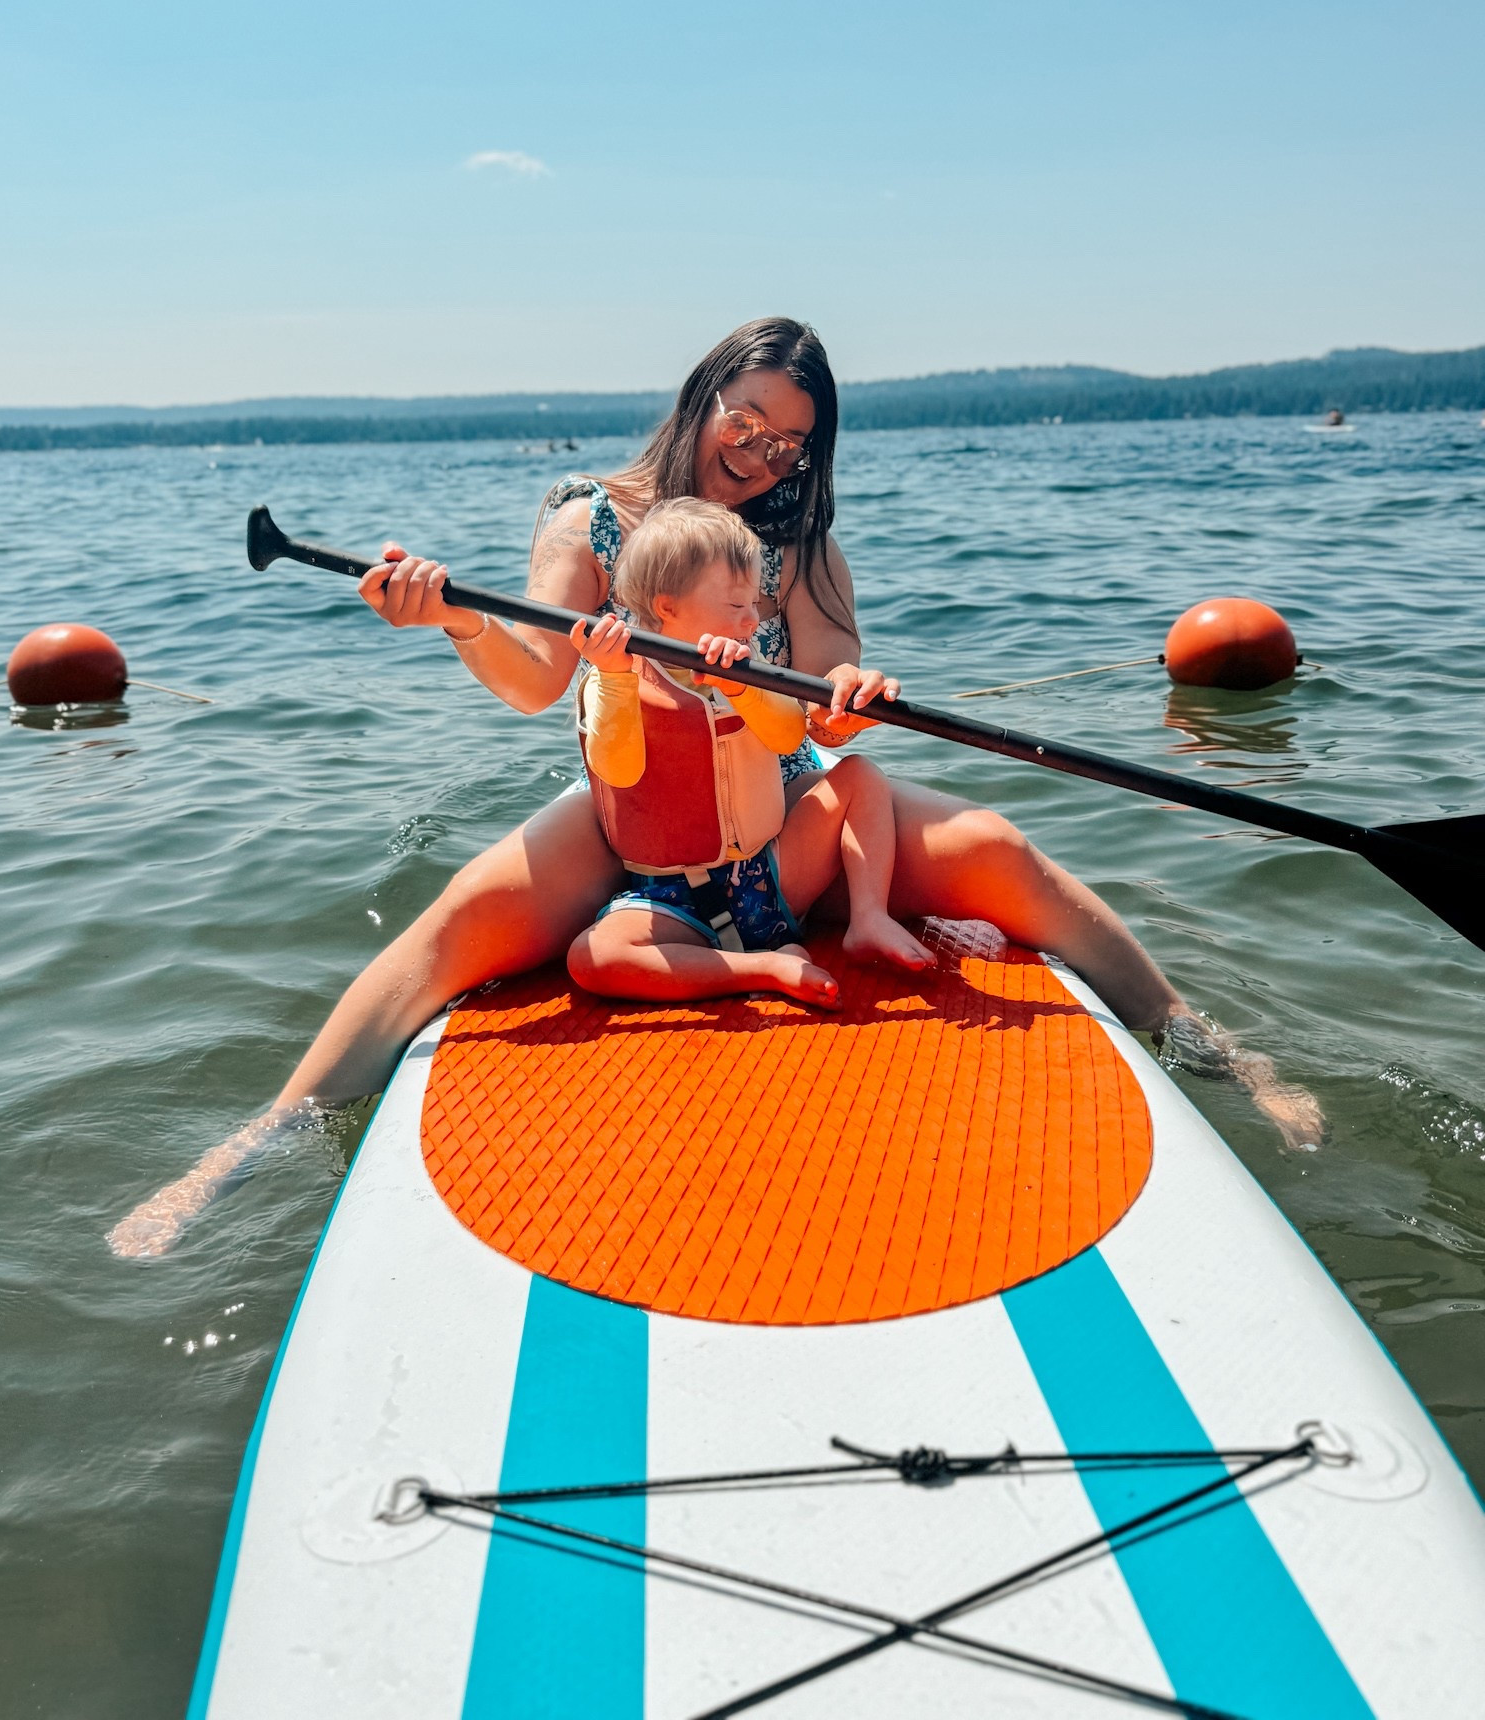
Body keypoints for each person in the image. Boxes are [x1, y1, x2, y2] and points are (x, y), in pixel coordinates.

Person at [108, 317, 1322, 1257]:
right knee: (450, 936)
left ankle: (1218, 1053)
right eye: (748, 420)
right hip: (631, 805)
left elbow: (835, 676)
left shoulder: (792, 541)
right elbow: (536, 682)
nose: (762, 452)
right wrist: (448, 623)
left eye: (790, 439)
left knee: (1003, 848)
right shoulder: (592, 519)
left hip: (774, 794)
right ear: (706, 396)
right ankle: (239, 1155)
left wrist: (856, 686)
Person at [568, 497, 931, 1007]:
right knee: (592, 958)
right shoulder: (613, 678)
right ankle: (760, 968)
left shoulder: (750, 668)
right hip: (672, 898)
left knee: (860, 776)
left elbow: (787, 737)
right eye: (735, 607)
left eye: (754, 605)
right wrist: (612, 677)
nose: (751, 620)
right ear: (668, 607)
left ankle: (870, 916)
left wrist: (742, 689)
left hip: (772, 872)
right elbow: (618, 771)